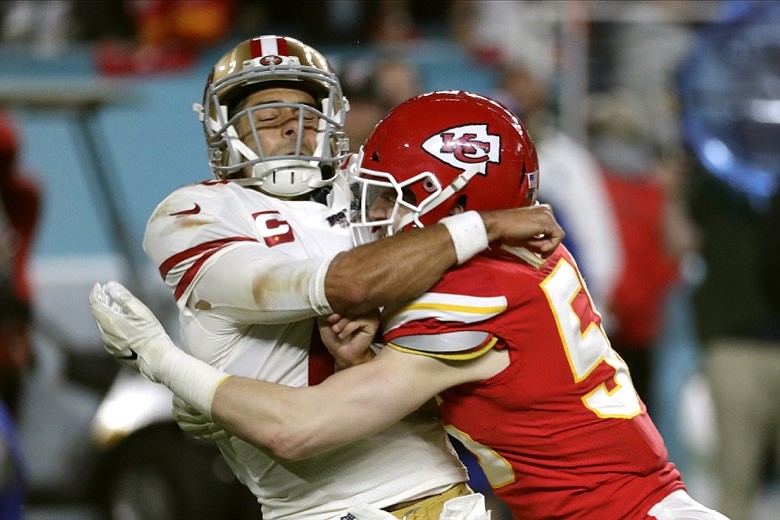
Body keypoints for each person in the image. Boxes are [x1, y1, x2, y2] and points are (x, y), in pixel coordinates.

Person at [91, 91, 727, 520]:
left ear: (455, 198)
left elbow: (296, 427)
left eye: (395, 196)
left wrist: (164, 362)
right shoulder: (524, 264)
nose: (376, 216)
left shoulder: (461, 298)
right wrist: (358, 360)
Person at [133, 36, 564, 520]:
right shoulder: (197, 212)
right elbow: (313, 286)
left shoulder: (376, 189)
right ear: (225, 128)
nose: (292, 128)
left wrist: (191, 378)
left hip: (420, 491)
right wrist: (212, 391)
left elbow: (377, 296)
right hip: (301, 507)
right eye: (269, 118)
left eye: (306, 114)